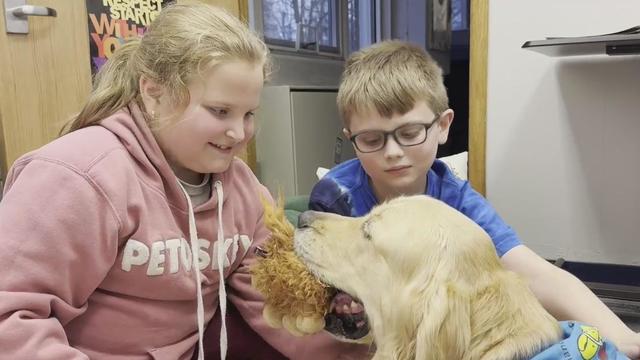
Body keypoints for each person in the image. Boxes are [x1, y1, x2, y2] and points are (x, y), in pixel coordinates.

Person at [0, 4, 370, 360]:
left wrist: (369, 351)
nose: (239, 133)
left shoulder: (240, 187)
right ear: (153, 93)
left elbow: (277, 299)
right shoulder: (77, 177)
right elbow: (11, 317)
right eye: (219, 111)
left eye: (249, 114)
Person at [309, 40, 640, 359]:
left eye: (410, 134)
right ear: (352, 141)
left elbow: (533, 272)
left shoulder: (457, 202)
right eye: (371, 139)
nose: (393, 153)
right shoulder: (335, 197)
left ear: (442, 126)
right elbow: (314, 293)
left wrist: (623, 336)